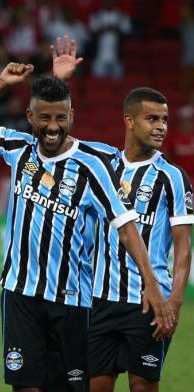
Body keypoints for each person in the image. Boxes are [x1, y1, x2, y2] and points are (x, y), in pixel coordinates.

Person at [0, 34, 174, 391]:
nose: (51, 128)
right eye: (43, 119)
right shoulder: (18, 148)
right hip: (20, 294)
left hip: (72, 300)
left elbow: (128, 228)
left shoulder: (92, 165)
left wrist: (152, 285)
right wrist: (1, 84)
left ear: (72, 116)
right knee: (26, 387)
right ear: (29, 116)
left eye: (59, 118)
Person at [85, 88, 194, 392]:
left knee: (143, 385)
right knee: (96, 385)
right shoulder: (104, 166)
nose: (161, 126)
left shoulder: (172, 176)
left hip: (148, 302)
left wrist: (174, 302)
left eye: (164, 119)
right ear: (129, 121)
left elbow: (183, 247)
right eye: (152, 119)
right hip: (100, 299)